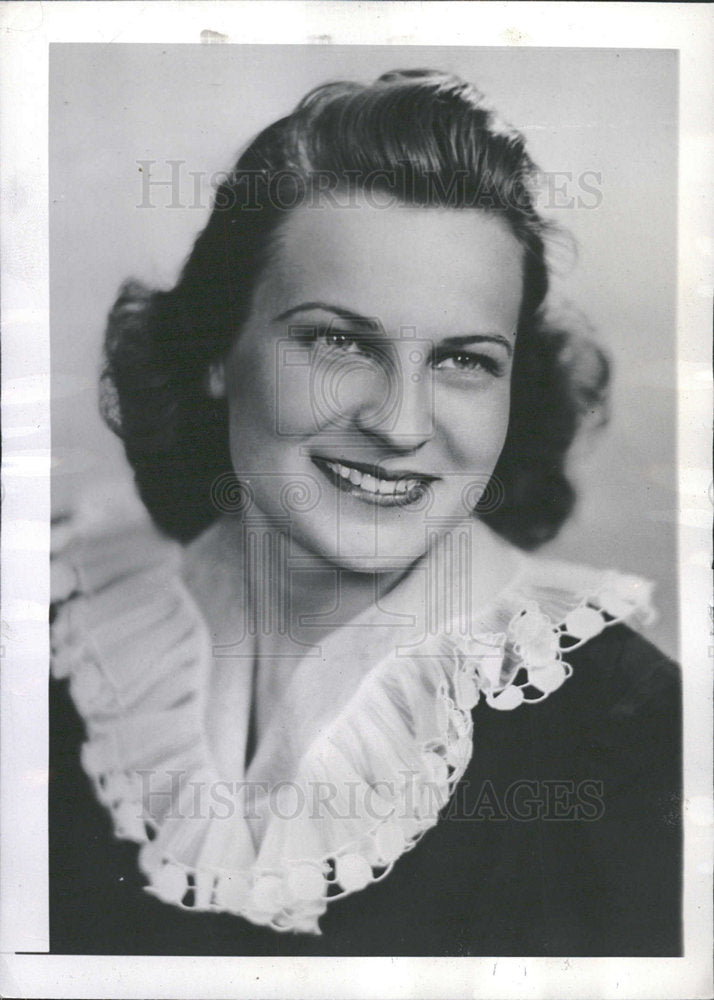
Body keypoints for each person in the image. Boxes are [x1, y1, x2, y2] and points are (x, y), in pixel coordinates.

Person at [49, 69, 681, 956]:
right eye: (339, 341)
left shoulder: (632, 730)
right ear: (217, 350)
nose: (401, 423)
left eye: (464, 361)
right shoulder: (64, 621)